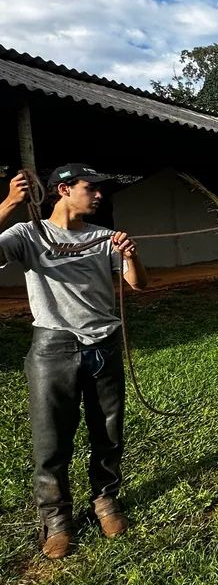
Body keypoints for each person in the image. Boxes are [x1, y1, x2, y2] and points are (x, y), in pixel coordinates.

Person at [0, 164, 147, 558]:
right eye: (92, 188)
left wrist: (130, 256)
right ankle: (57, 521)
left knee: (109, 433)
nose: (100, 195)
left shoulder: (104, 237)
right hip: (53, 348)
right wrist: (9, 204)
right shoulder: (28, 235)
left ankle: (105, 502)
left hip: (104, 345)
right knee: (51, 441)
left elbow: (138, 284)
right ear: (63, 190)